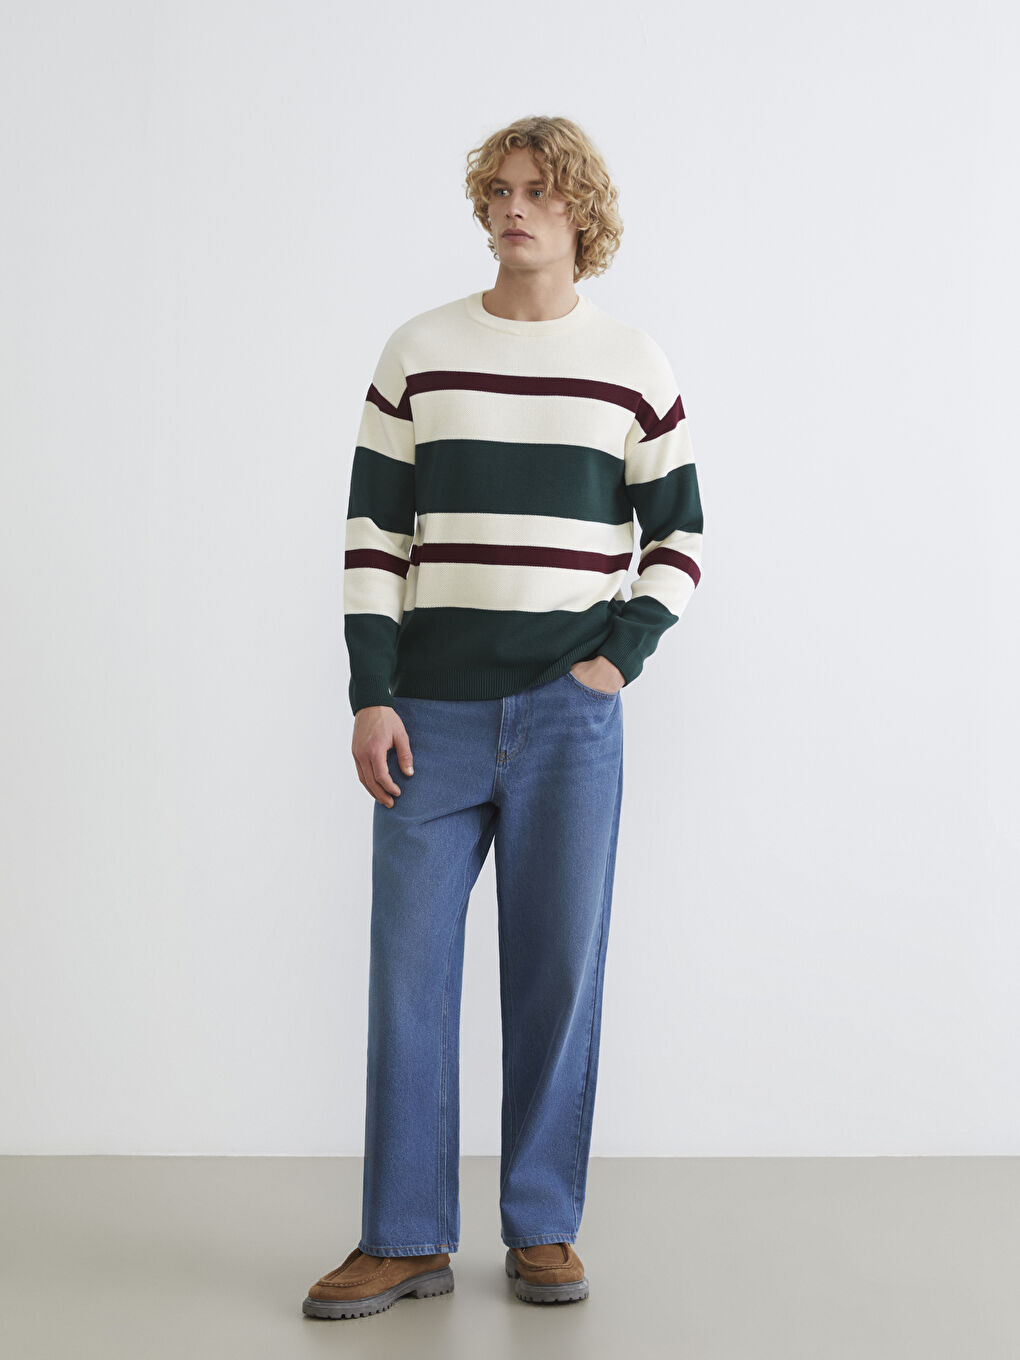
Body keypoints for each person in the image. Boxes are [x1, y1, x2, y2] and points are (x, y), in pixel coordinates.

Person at [303, 114, 704, 1321]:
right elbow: (375, 537)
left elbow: (680, 539)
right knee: (409, 975)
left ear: (583, 213)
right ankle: (404, 1237)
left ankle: (541, 1226)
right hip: (429, 714)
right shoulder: (420, 352)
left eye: (540, 191)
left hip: (570, 718)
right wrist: (371, 691)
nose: (515, 209)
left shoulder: (631, 363)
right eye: (500, 191)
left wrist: (615, 662)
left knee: (555, 975)